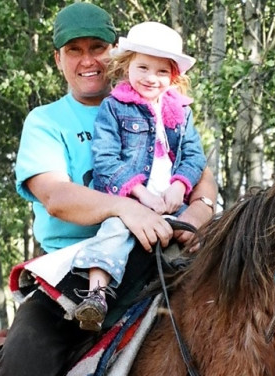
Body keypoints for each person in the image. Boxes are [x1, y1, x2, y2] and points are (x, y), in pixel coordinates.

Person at [0, 4, 218, 376]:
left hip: (164, 257)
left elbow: (202, 175)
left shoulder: (157, 101)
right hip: (77, 270)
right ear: (59, 59)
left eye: (97, 49)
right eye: (75, 51)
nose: (88, 61)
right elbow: (56, 195)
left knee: (261, 321)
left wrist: (195, 213)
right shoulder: (47, 121)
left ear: (116, 55)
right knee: (25, 357)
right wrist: (125, 209)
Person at [71, 21, 207, 331]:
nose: (151, 78)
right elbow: (105, 159)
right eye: (143, 67)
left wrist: (179, 186)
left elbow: (193, 155)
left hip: (171, 202)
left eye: (161, 72)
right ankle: (96, 294)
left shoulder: (181, 112)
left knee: (209, 236)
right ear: (126, 65)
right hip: (132, 199)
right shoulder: (115, 108)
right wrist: (140, 195)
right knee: (114, 232)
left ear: (173, 76)